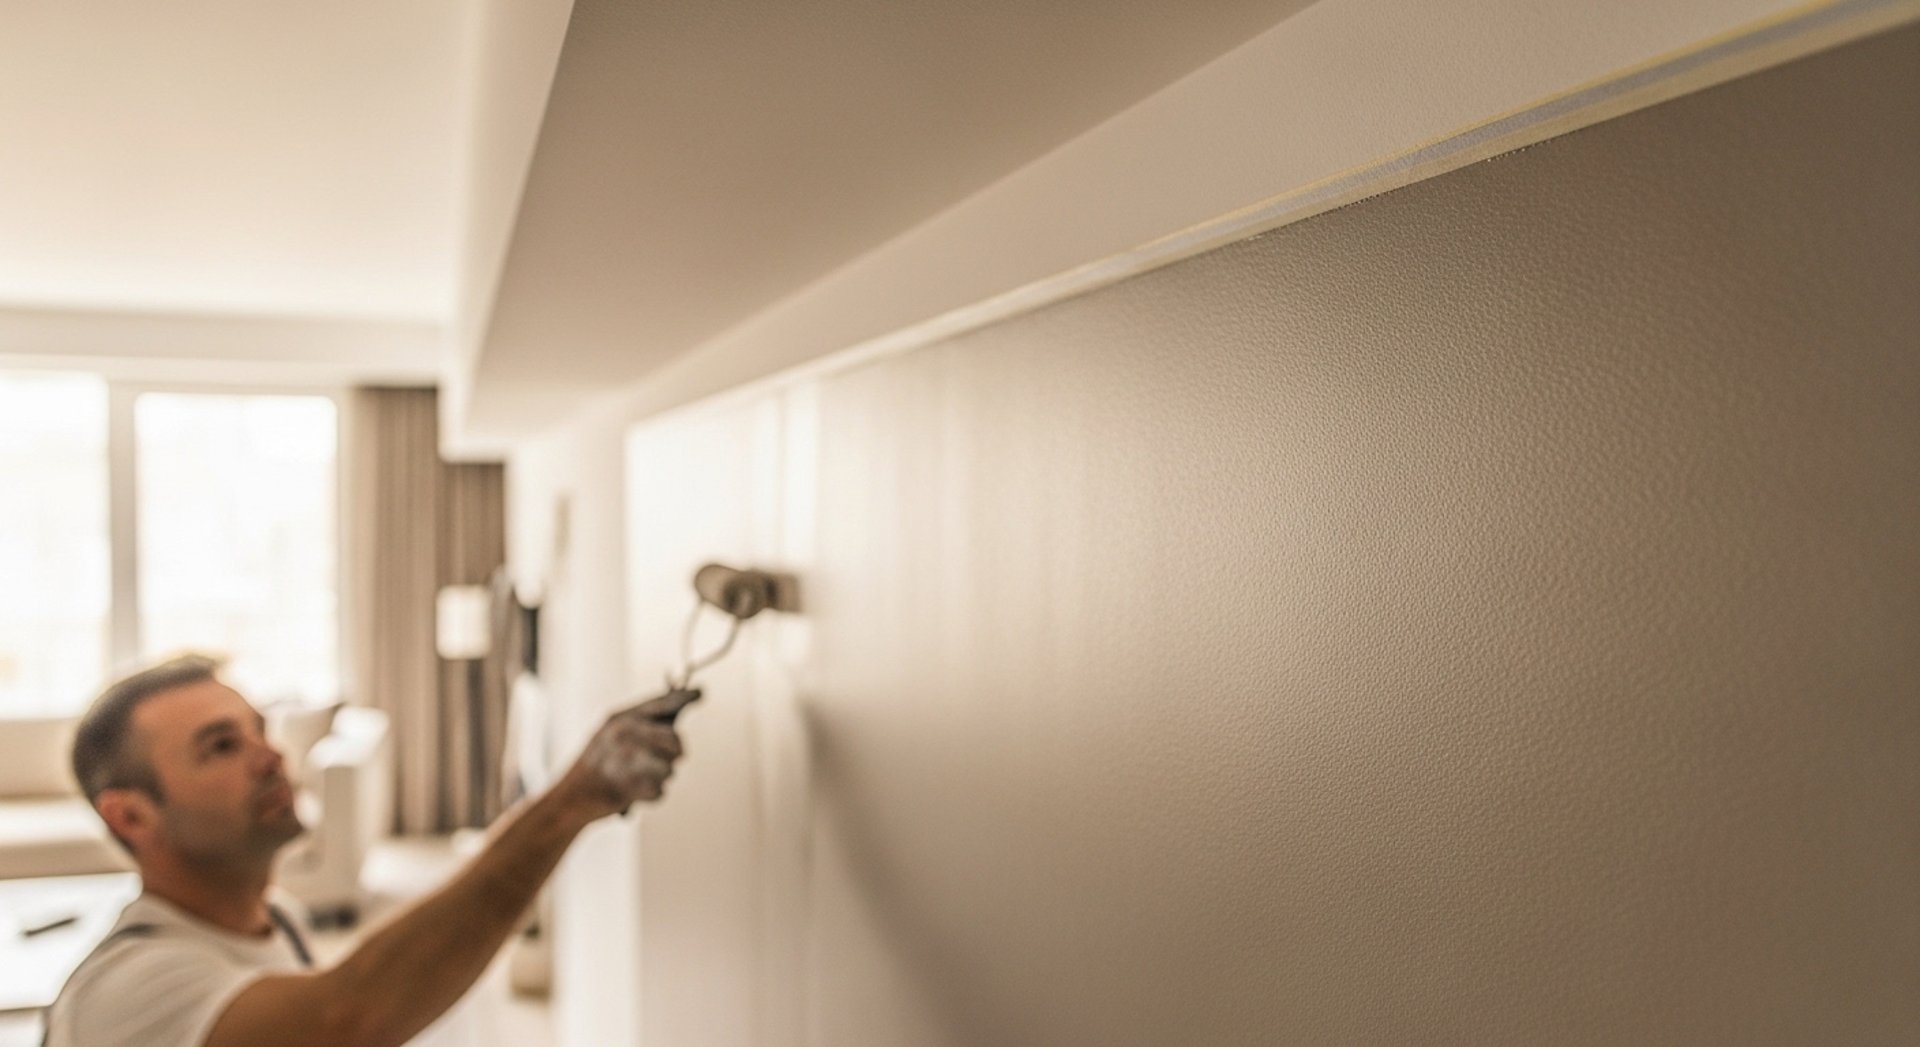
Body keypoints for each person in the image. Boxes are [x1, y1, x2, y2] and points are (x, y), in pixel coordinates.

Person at [43, 654, 694, 1047]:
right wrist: (569, 801)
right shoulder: (126, 990)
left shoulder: (284, 922)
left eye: (259, 731)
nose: (270, 756)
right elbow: (347, 1018)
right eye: (221, 746)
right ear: (131, 814)